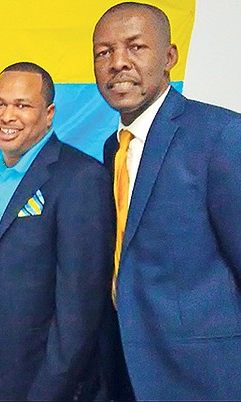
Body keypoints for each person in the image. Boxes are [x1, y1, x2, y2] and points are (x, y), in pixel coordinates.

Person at [94, 3, 241, 399]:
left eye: (136, 47)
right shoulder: (113, 148)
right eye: (103, 52)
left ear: (169, 57)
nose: (118, 63)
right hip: (127, 369)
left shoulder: (220, 135)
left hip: (203, 376)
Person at [0, 62, 114, 401]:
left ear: (49, 114)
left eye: (22, 105)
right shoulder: (0, 175)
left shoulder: (80, 178)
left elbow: (81, 306)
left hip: (45, 384)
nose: (7, 116)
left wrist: (51, 389)